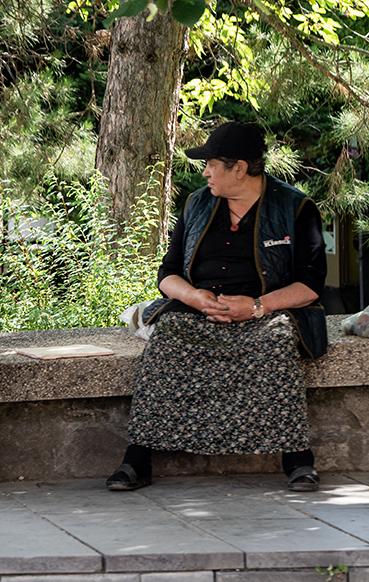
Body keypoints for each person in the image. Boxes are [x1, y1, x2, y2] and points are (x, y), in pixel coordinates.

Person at [107, 122, 327, 493]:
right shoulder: (197, 203)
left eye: (211, 164)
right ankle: (136, 460)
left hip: (265, 315)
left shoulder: (296, 207)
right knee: (165, 344)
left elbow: (310, 286)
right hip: (199, 311)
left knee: (277, 344)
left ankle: (298, 460)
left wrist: (257, 306)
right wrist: (194, 297)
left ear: (239, 168)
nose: (205, 172)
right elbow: (168, 274)